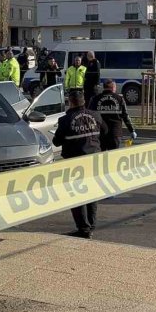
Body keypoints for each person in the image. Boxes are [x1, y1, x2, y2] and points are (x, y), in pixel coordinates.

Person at [52, 90, 109, 239]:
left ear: (70, 102)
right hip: (94, 159)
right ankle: (90, 225)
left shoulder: (65, 120)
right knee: (92, 193)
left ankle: (83, 228)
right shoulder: (95, 115)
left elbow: (56, 141)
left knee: (76, 195)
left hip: (75, 162)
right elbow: (105, 131)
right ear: (84, 101)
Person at [88, 80, 136, 150]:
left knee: (101, 156)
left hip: (100, 133)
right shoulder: (120, 99)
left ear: (104, 87)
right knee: (113, 156)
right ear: (113, 88)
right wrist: (132, 130)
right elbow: (125, 116)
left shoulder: (95, 99)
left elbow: (89, 115)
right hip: (115, 133)